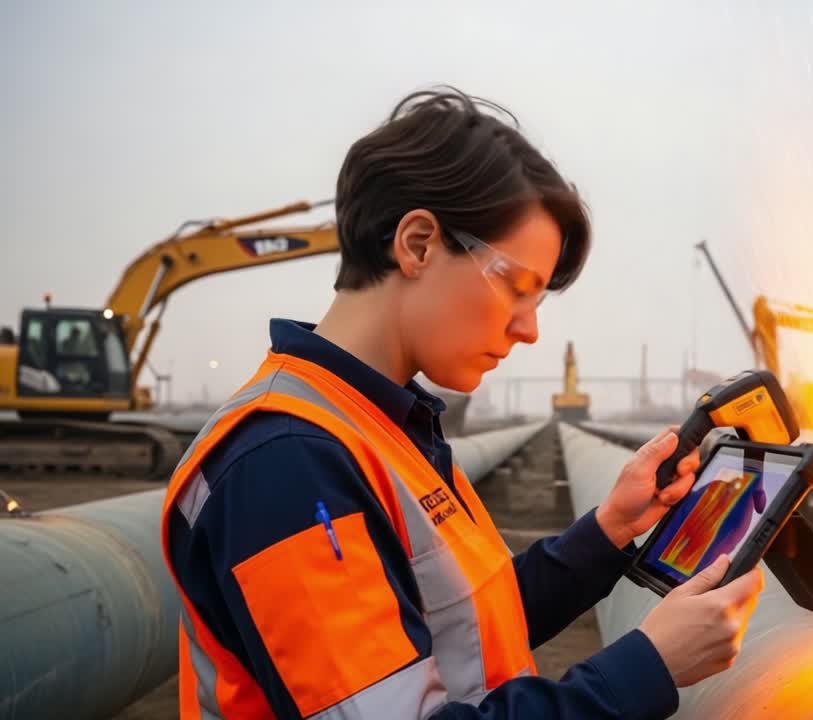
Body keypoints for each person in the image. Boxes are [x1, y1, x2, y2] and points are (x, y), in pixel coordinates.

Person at [160, 86, 765, 720]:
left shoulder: (382, 427)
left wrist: (611, 529)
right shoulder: (285, 464)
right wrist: (646, 668)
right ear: (418, 244)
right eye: (517, 287)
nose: (530, 330)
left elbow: (464, 630)